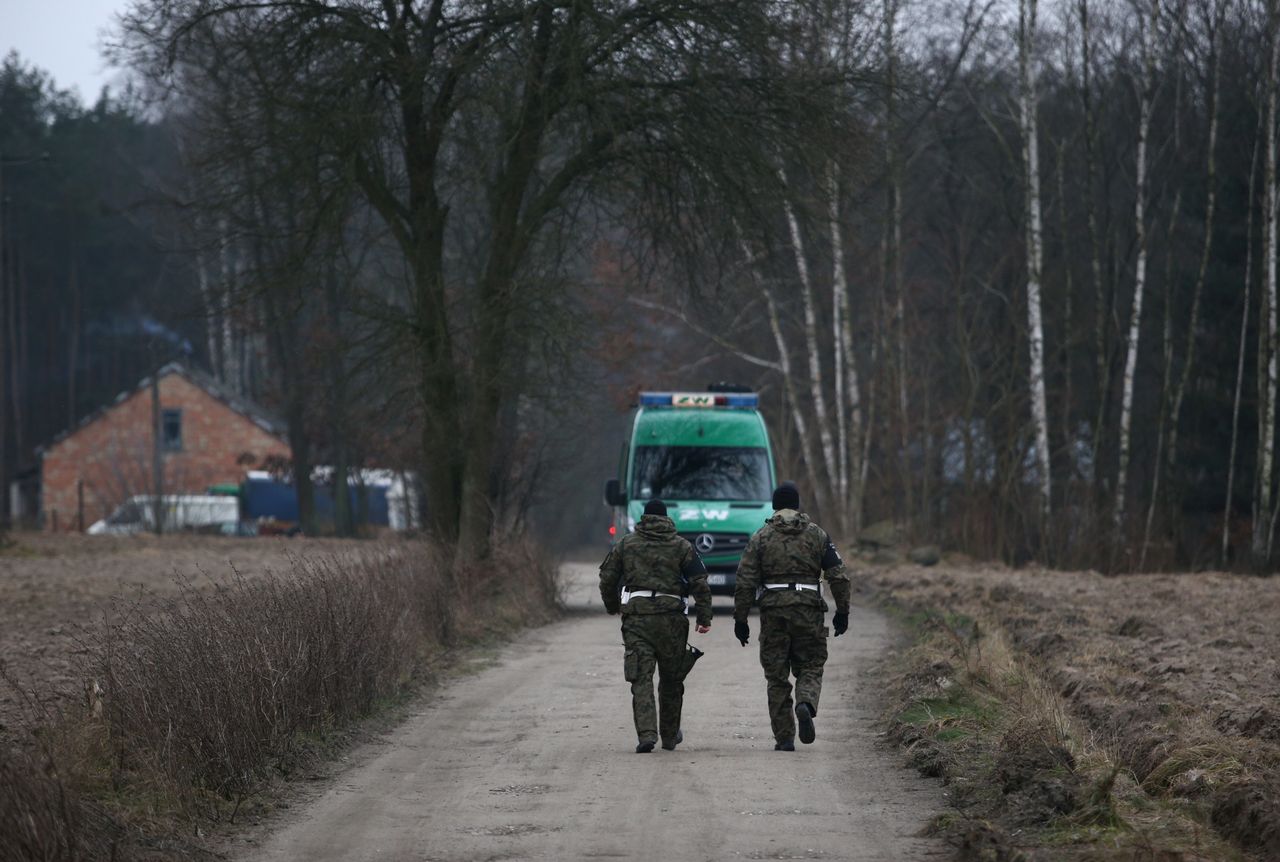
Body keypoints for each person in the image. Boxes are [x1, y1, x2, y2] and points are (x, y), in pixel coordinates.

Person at [733, 482, 851, 751]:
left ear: (775, 506)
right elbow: (839, 576)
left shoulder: (760, 537)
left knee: (776, 677)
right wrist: (842, 611)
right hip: (808, 609)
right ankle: (805, 702)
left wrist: (740, 619)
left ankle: (785, 738)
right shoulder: (818, 536)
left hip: (773, 611)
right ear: (797, 505)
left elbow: (745, 581)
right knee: (810, 664)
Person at [599, 499, 713, 753]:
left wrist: (612, 605)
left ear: (644, 518)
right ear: (666, 518)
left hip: (637, 619)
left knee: (641, 677)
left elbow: (607, 577)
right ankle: (670, 737)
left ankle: (647, 735)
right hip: (672, 619)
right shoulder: (682, 546)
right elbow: (700, 583)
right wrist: (704, 618)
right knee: (672, 680)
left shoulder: (626, 544)